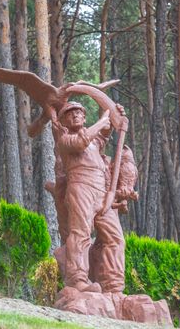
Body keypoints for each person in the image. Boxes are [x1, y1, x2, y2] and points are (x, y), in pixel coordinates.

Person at [56, 101, 125, 293]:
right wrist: (103, 121)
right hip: (81, 187)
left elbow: (104, 133)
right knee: (80, 233)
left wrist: (113, 113)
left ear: (85, 118)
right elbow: (81, 141)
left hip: (102, 192)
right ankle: (77, 279)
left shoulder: (95, 142)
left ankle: (113, 283)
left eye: (79, 112)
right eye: (70, 114)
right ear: (63, 121)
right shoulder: (66, 140)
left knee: (115, 237)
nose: (75, 115)